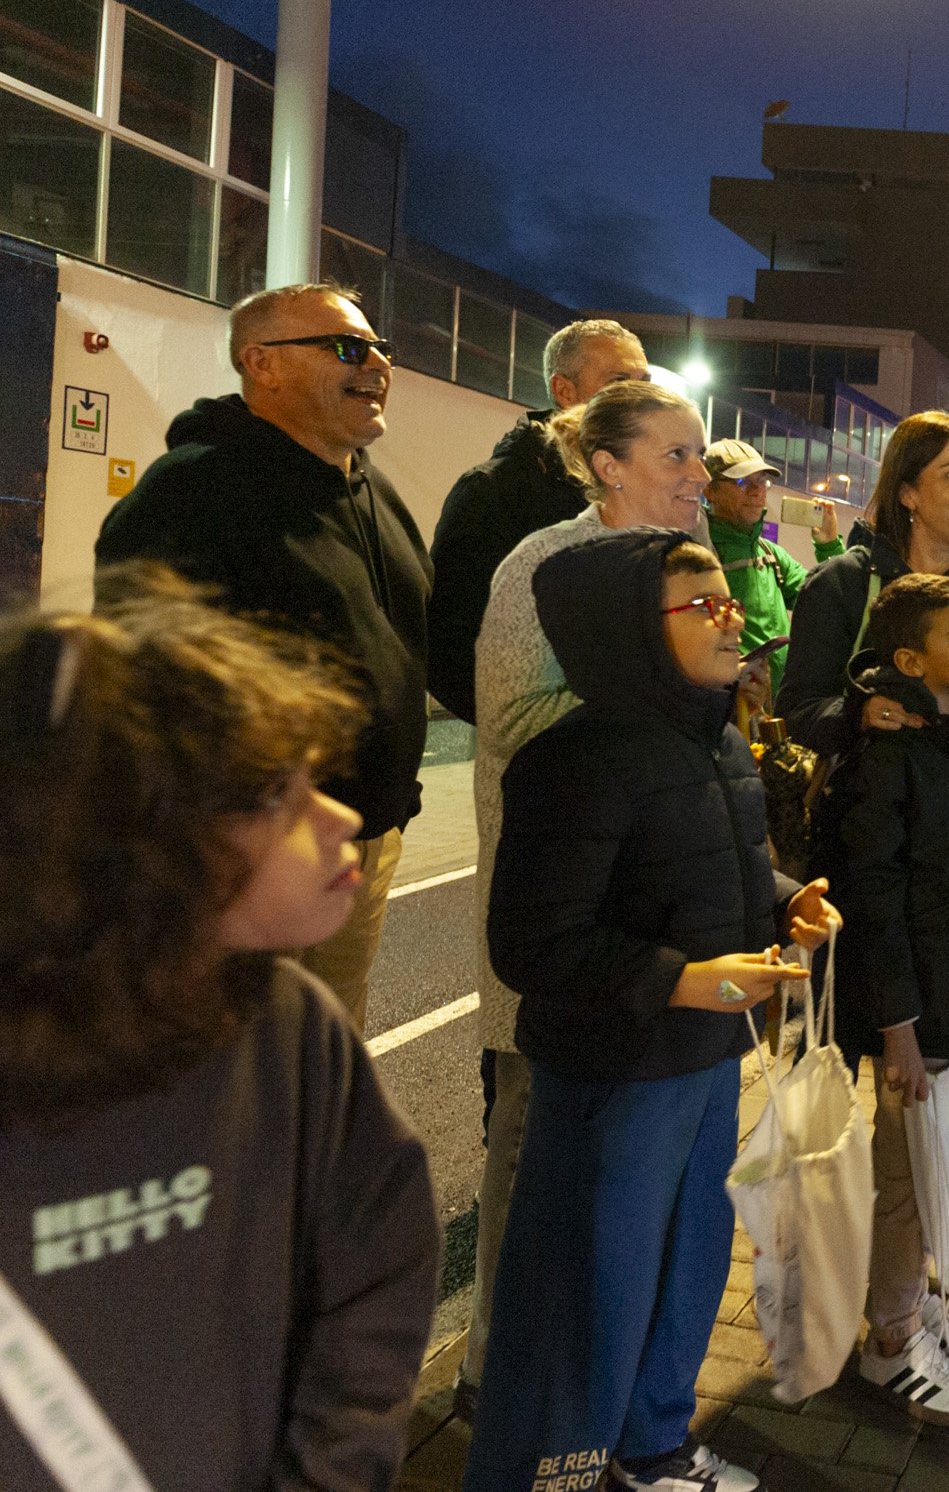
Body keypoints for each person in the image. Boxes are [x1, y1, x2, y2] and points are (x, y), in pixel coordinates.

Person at [0, 573, 439, 1492]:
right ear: (133, 841)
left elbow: (379, 1263)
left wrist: (331, 1468)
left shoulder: (290, 1029)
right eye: (273, 797)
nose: (341, 818)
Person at [462, 531, 832, 1492]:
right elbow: (534, 942)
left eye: (729, 600)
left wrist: (784, 899)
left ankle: (651, 1446)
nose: (734, 618)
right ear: (632, 629)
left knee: (684, 1271)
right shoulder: (572, 760)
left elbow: (718, 873)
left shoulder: (715, 738)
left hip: (704, 1059)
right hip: (611, 1076)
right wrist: (679, 978)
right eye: (702, 604)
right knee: (587, 1294)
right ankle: (555, 1472)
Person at [458, 378, 713, 1408]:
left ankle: (596, 1375)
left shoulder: (677, 570)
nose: (699, 476)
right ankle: (495, 1371)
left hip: (653, 920)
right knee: (531, 1142)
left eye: (701, 456)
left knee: (625, 1166)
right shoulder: (545, 565)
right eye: (677, 456)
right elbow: (514, 721)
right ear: (608, 466)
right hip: (562, 908)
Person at [94, 281, 430, 1036]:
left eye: (381, 348)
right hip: (252, 860)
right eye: (348, 347)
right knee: (242, 1075)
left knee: (326, 1063)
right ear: (262, 364)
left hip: (363, 842)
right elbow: (141, 690)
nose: (376, 362)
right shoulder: (192, 494)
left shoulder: (373, 492)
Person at [814, 574, 949, 1427]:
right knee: (905, 1176)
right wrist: (897, 1029)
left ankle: (921, 1307)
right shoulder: (890, 751)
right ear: (910, 658)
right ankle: (892, 1342)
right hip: (919, 1010)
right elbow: (875, 896)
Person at [780, 412, 949, 764]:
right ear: (908, 493)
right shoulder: (842, 582)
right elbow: (797, 712)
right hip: (868, 811)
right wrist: (860, 714)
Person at [428, 318, 649, 724]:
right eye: (619, 381)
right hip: (543, 760)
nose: (638, 396)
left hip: (637, 747)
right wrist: (537, 732)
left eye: (644, 381)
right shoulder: (494, 491)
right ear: (564, 391)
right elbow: (448, 651)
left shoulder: (636, 490)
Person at [702, 437, 842, 695]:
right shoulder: (700, 556)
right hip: (728, 709)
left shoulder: (771, 555)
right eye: (742, 481)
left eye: (762, 481)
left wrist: (829, 546)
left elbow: (831, 601)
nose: (757, 491)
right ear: (709, 490)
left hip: (780, 705)